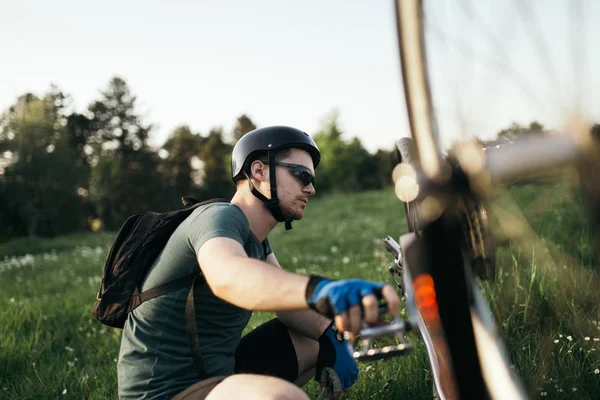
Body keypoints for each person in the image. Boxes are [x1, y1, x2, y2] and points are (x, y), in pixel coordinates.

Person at [117, 125, 400, 400]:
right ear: (259, 171)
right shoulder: (219, 217)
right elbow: (229, 277)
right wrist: (320, 290)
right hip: (167, 392)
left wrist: (333, 334)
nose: (311, 189)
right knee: (280, 397)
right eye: (302, 175)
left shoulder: (256, 238)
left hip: (216, 376)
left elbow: (287, 308)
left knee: (315, 334)